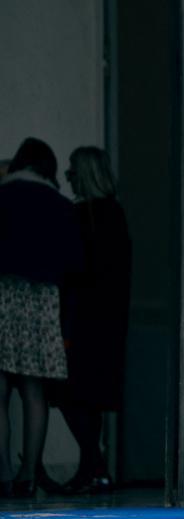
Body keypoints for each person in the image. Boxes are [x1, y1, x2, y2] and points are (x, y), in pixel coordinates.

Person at [0, 138, 83, 499]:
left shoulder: (2, 197)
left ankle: (3, 473)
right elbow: (74, 265)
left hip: (3, 294)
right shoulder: (61, 206)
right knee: (35, 392)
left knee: (0, 392)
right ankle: (28, 475)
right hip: (42, 300)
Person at [50, 146, 132, 494]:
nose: (67, 175)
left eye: (72, 168)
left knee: (70, 394)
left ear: (84, 173)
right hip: (108, 320)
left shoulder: (84, 216)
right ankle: (93, 470)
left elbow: (72, 272)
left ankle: (93, 467)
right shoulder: (114, 214)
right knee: (88, 398)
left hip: (81, 320)